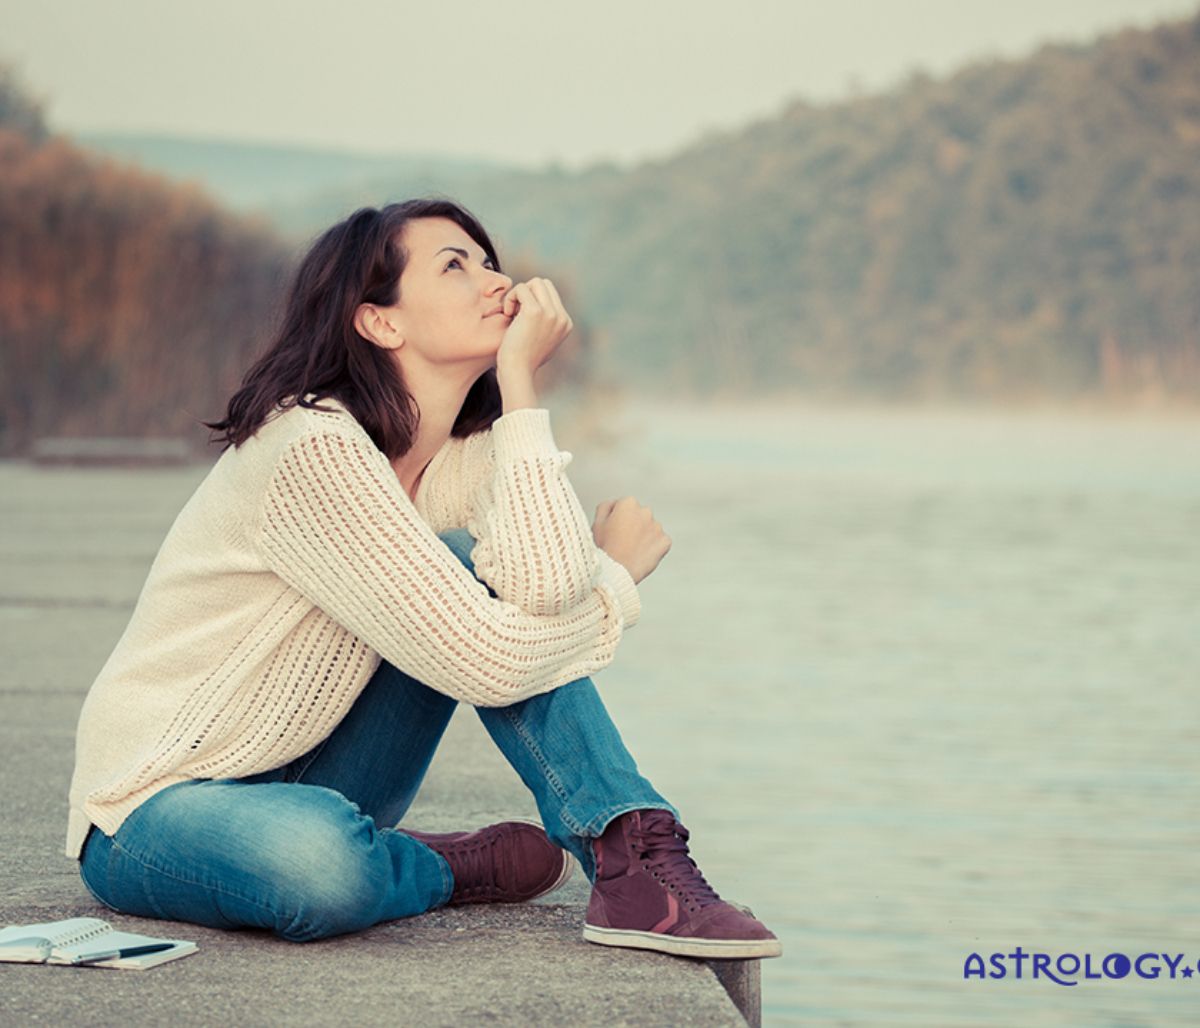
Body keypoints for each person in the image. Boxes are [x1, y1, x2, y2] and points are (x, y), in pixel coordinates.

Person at [66, 198, 781, 961]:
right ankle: (435, 866)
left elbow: (542, 595)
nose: (494, 280)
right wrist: (619, 581)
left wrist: (517, 392)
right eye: (454, 265)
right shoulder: (310, 445)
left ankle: (629, 850)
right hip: (152, 808)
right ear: (381, 321)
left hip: (321, 771)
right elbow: (490, 659)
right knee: (321, 867)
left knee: (475, 574)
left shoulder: (467, 455)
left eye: (486, 259)